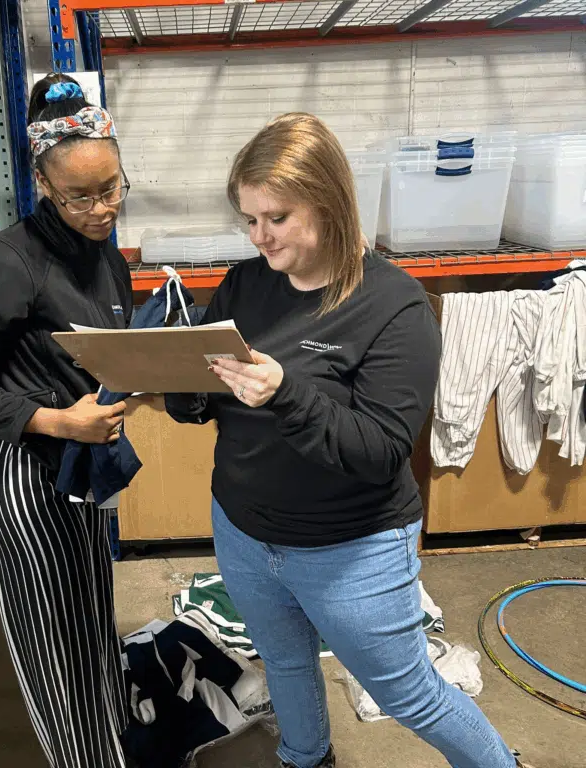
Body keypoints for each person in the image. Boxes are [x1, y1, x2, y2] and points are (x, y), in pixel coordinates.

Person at [165, 113, 536, 768]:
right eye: (249, 220)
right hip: (245, 530)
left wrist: (285, 391)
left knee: (408, 692)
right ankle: (306, 759)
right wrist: (183, 384)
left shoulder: (394, 307)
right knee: (283, 660)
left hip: (350, 550)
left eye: (275, 218)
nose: (259, 236)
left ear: (327, 203)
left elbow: (377, 450)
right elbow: (210, 396)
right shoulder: (247, 282)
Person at [0, 74, 134, 768]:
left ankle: (114, 746)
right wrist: (55, 421)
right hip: (26, 470)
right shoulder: (9, 261)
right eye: (81, 195)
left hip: (83, 462)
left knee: (93, 627)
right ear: (45, 186)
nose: (103, 207)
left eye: (112, 186)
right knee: (55, 645)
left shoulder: (104, 248)